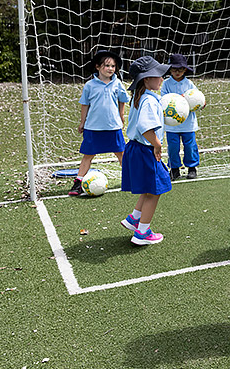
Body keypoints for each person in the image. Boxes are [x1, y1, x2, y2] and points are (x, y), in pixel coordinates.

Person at [120, 56, 173, 245]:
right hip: (145, 150)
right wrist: (157, 145)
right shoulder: (149, 100)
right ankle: (142, 233)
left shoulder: (139, 96)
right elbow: (145, 127)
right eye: (158, 75)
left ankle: (135, 218)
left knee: (149, 187)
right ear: (146, 79)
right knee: (156, 189)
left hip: (135, 149)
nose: (161, 78)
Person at [69, 49, 130, 196]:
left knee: (121, 154)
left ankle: (130, 178)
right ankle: (78, 183)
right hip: (93, 127)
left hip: (113, 127)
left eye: (113, 66)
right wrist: (82, 122)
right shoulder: (90, 85)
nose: (110, 69)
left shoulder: (118, 83)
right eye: (107, 65)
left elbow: (122, 100)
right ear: (98, 67)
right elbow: (85, 104)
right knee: (88, 155)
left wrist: (121, 116)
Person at [160, 54, 200, 180]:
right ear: (170, 70)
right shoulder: (166, 84)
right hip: (172, 125)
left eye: (180, 69)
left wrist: (200, 104)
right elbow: (163, 101)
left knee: (190, 146)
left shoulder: (189, 84)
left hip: (188, 124)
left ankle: (192, 168)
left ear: (185, 70)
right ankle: (174, 169)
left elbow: (197, 99)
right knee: (173, 147)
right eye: (174, 69)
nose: (177, 72)